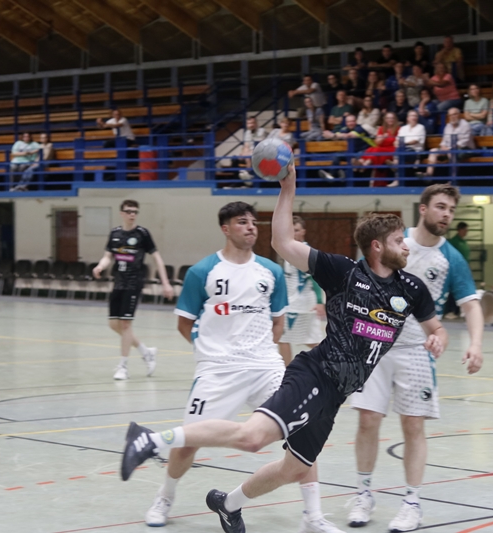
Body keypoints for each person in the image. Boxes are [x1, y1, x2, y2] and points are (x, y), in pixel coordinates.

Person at [119, 163, 446, 533]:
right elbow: (283, 243)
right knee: (252, 437)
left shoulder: (411, 289)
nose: (406, 246)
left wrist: (437, 338)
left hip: (336, 394)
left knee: (294, 467)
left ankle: (228, 504)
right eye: (399, 240)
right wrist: (287, 188)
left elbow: (435, 327)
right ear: (377, 246)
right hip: (315, 374)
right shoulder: (344, 272)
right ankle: (149, 439)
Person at [142, 202, 341, 533]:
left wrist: (260, 350)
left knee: (304, 432)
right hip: (218, 369)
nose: (250, 227)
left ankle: (313, 515)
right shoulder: (202, 271)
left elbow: (278, 323)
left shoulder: (270, 271)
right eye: (241, 222)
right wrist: (211, 352)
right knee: (188, 441)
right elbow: (184, 324)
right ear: (225, 228)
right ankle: (165, 496)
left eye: (253, 222)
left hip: (265, 366)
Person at [348, 184, 482, 532]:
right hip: (374, 346)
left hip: (416, 351)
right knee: (367, 420)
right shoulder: (393, 240)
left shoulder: (451, 258)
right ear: (423, 209)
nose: (446, 214)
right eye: (441, 207)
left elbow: (470, 304)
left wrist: (475, 343)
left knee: (413, 426)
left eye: (451, 209)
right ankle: (363, 494)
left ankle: (411, 503)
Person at [92, 200, 173, 380]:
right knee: (113, 324)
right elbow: (108, 256)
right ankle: (146, 352)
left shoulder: (142, 234)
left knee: (126, 324)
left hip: (134, 283)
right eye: (128, 211)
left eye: (135, 212)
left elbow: (157, 259)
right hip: (118, 283)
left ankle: (123, 366)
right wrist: (100, 266)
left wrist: (165, 283)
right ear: (122, 213)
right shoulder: (115, 233)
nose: (132, 214)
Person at [278, 215, 326, 366]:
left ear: (303, 232)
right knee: (309, 339)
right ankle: (330, 364)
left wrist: (320, 301)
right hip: (297, 303)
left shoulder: (303, 251)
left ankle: (286, 372)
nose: (293, 233)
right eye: (291, 230)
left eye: (297, 230)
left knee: (283, 338)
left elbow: (314, 277)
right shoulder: (290, 249)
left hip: (299, 304)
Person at [418, 107, 473, 180]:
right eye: (450, 115)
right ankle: (428, 175)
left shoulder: (465, 125)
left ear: (459, 115)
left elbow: (463, 142)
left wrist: (448, 149)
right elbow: (444, 141)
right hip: (449, 149)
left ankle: (453, 179)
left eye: (454, 114)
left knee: (451, 152)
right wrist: (443, 146)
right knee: (433, 151)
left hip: (465, 149)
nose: (452, 117)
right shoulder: (448, 126)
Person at [361, 112, 400, 187]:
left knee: (377, 150)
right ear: (385, 119)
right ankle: (364, 162)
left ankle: (366, 163)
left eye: (392, 118)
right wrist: (383, 138)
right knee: (371, 149)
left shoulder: (398, 129)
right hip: (381, 148)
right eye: (388, 118)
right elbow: (376, 142)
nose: (390, 120)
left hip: (392, 149)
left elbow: (397, 142)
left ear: (395, 119)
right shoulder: (381, 128)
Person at [443, 221, 472, 319]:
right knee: (452, 291)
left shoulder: (464, 242)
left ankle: (457, 311)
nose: (466, 232)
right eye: (465, 230)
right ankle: (450, 311)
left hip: (463, 270)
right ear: (460, 230)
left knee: (461, 290)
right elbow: (449, 256)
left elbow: (466, 257)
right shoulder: (454, 242)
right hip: (455, 270)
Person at [236, 117, 266, 187]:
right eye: (249, 123)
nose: (251, 125)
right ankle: (239, 182)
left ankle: (248, 173)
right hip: (251, 151)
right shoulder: (247, 132)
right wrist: (244, 153)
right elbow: (246, 145)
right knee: (237, 158)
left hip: (261, 151)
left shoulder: (261, 131)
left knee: (249, 156)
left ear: (256, 123)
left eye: (252, 123)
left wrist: (248, 153)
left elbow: (260, 144)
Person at [397, 110, 426, 177]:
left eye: (415, 116)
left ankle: (395, 168)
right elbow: (397, 140)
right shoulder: (403, 128)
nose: (414, 117)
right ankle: (397, 175)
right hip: (403, 149)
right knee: (398, 151)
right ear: (408, 118)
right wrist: (397, 143)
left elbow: (415, 141)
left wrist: (403, 144)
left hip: (415, 151)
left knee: (400, 154)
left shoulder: (421, 127)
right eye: (412, 116)